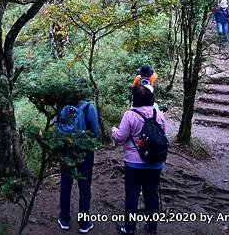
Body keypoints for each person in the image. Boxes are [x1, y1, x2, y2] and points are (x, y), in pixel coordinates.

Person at [112, 86, 166, 235]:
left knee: (132, 194)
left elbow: (120, 137)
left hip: (133, 163)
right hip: (154, 162)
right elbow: (163, 136)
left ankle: (129, 228)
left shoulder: (130, 115)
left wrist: (113, 131)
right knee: (152, 194)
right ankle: (152, 227)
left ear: (134, 99)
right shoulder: (159, 115)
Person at [56, 96, 101, 233]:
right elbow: (96, 132)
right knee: (84, 187)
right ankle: (84, 223)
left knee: (65, 185)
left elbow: (58, 129)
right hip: (84, 152)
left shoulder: (63, 106)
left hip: (66, 151)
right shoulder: (88, 107)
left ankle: (64, 219)